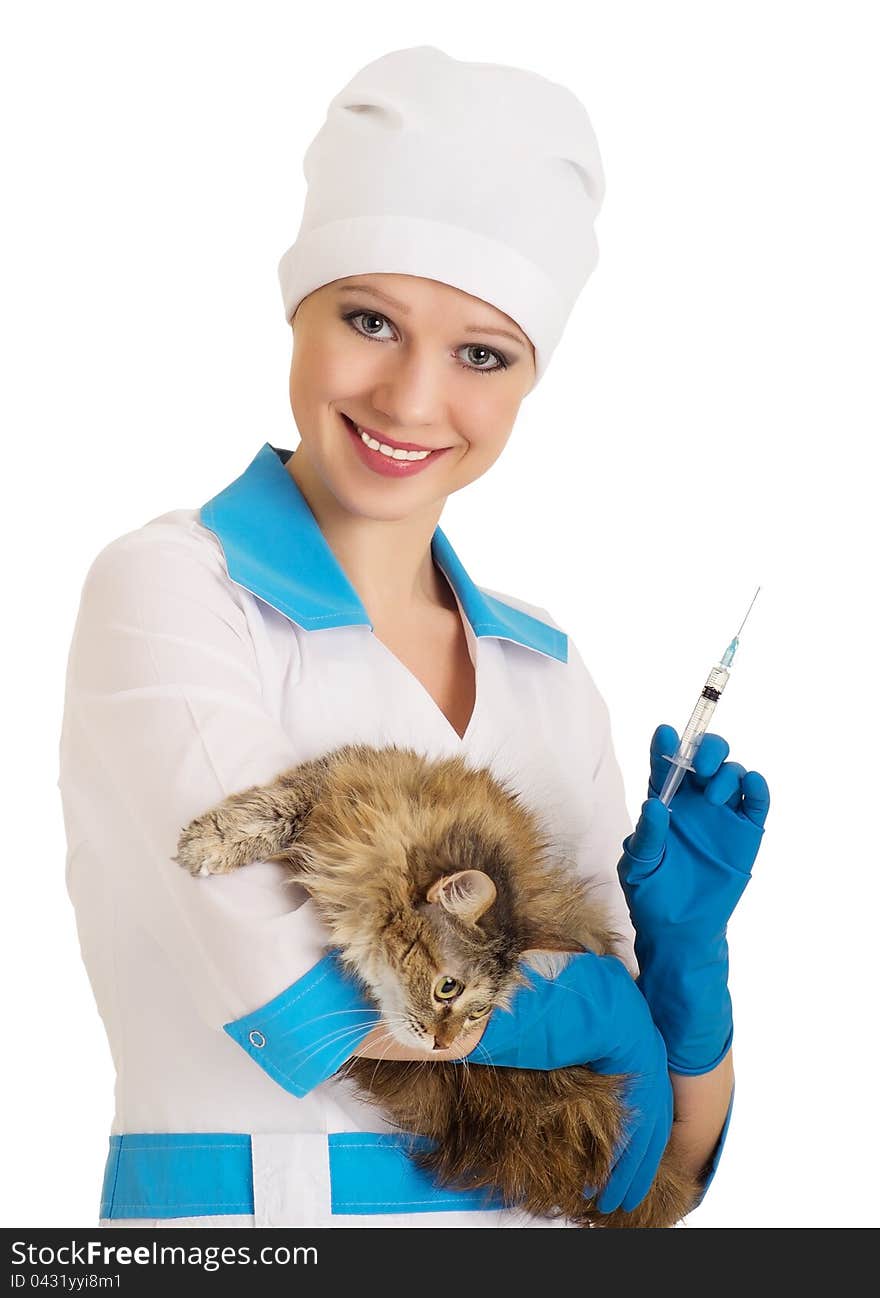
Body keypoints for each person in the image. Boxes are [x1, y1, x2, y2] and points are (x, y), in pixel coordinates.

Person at [58, 45, 758, 1230]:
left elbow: (651, 1173)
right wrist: (595, 1000)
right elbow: (302, 998)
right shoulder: (177, 591)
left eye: (481, 353)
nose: (410, 399)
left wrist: (686, 978)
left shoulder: (545, 669)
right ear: (298, 309)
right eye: (371, 318)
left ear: (529, 380)